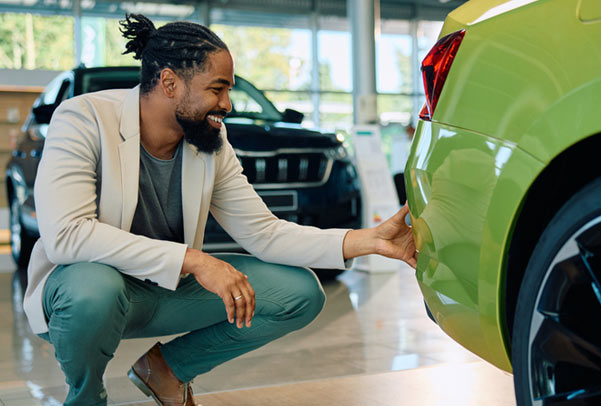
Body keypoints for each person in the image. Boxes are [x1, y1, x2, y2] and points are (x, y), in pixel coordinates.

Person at [23, 14, 417, 406]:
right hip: (86, 293)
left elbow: (264, 232)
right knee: (95, 288)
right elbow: (66, 235)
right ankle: (86, 398)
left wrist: (368, 240)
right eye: (217, 89)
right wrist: (195, 260)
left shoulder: (210, 140)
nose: (226, 104)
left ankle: (167, 370)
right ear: (169, 83)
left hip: (161, 291)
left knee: (300, 293)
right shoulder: (83, 118)